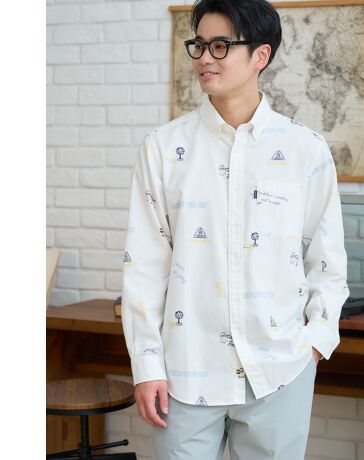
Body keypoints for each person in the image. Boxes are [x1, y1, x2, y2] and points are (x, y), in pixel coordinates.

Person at [121, 0, 349, 458]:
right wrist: (147, 365)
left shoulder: (305, 149)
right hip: (186, 373)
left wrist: (314, 344)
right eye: (199, 45)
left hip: (280, 371)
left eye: (221, 46)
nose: (205, 58)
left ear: (260, 55)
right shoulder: (162, 149)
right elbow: (144, 266)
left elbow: (327, 260)